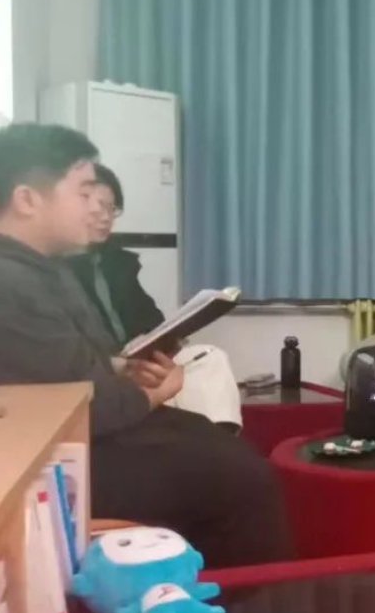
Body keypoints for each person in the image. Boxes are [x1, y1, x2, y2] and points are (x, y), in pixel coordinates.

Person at [0, 123, 291, 568]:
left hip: (90, 435)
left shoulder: (47, 270)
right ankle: (241, 600)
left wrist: (124, 369)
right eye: (84, 193)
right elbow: (83, 408)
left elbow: (78, 361)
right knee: (237, 476)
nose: (94, 209)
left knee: (211, 439)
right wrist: (156, 391)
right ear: (27, 200)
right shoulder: (9, 284)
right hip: (57, 461)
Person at [66, 164, 243, 429]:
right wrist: (120, 361)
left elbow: (151, 319)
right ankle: (210, 443)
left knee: (209, 357)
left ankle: (221, 436)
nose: (106, 217)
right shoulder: (53, 270)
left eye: (112, 209)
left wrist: (167, 340)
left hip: (137, 356)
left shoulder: (118, 264)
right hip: (104, 366)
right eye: (99, 206)